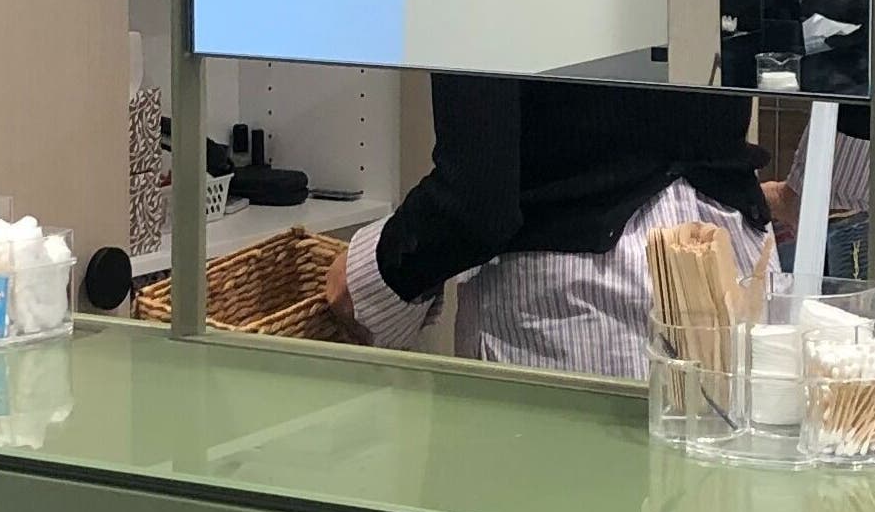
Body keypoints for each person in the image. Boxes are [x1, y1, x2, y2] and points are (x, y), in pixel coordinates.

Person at [323, 74, 778, 378]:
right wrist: (799, 193)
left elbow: (473, 206)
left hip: (569, 315)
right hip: (734, 268)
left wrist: (371, 277)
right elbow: (835, 12)